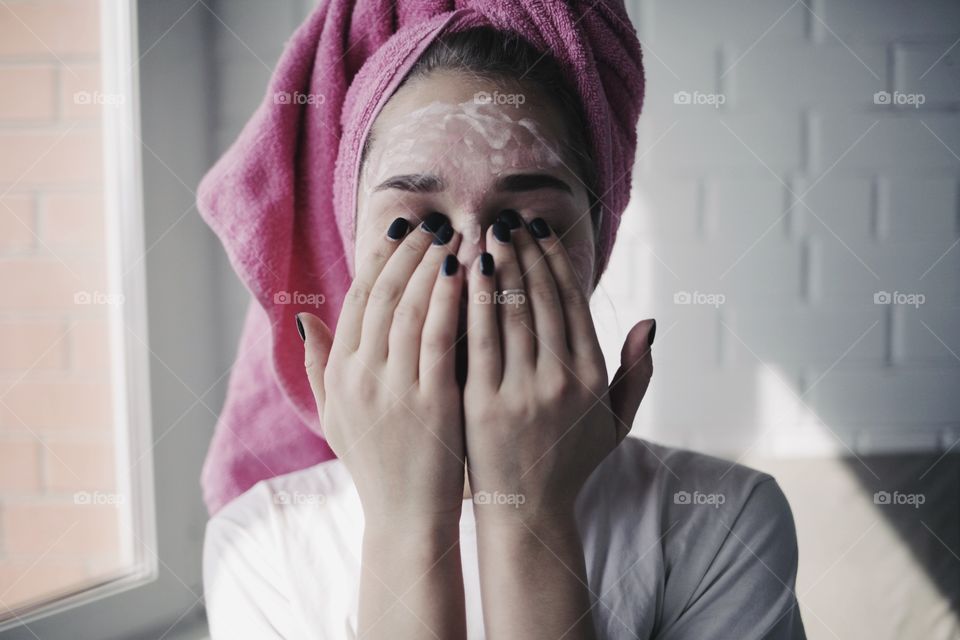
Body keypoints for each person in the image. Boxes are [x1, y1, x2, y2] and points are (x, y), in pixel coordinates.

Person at [201, 14, 805, 640]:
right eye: (412, 225)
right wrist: (407, 523)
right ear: (352, 252)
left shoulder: (725, 523)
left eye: (527, 221)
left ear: (597, 244)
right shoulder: (259, 545)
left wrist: (531, 521)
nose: (468, 263)